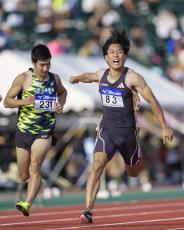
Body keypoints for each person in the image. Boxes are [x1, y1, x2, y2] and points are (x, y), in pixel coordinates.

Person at [69, 30, 173, 224]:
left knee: (134, 173)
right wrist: (76, 77)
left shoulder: (133, 78)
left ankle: (138, 158)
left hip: (128, 135)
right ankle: (88, 211)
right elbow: (89, 76)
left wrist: (165, 127)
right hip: (107, 130)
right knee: (97, 165)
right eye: (111, 52)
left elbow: (153, 101)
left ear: (125, 55)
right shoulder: (101, 74)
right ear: (106, 57)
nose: (115, 56)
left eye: (119, 52)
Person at [3, 44, 67, 216]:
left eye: (48, 64)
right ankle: (37, 182)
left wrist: (60, 104)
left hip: (44, 131)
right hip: (24, 131)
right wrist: (24, 102)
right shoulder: (23, 79)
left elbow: (63, 92)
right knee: (23, 175)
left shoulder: (55, 79)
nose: (45, 68)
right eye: (41, 65)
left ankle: (27, 203)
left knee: (35, 165)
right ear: (33, 63)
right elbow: (7, 102)